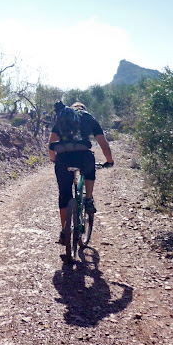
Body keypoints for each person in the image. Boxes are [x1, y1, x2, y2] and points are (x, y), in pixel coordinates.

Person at [48, 100, 114, 245]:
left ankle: (64, 232)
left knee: (64, 195)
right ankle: (88, 199)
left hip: (63, 159)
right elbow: (103, 144)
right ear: (84, 109)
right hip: (83, 158)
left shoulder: (62, 116)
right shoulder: (89, 118)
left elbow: (50, 144)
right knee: (89, 167)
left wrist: (54, 160)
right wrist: (109, 161)